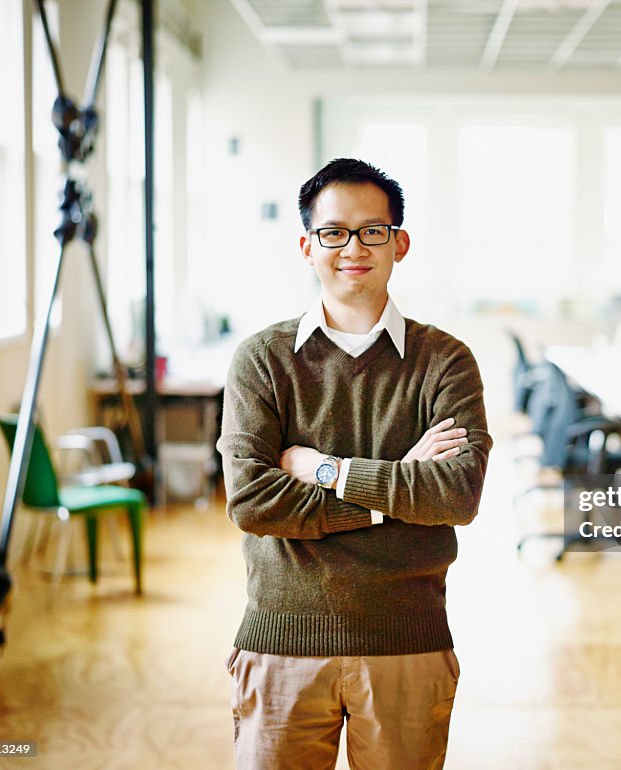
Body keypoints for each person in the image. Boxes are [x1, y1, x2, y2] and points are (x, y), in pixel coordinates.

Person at [218, 157, 493, 770]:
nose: (353, 248)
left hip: (408, 639)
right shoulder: (262, 360)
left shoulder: (444, 361)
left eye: (372, 231)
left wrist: (323, 468)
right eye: (333, 232)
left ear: (400, 243)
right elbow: (252, 501)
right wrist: (397, 487)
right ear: (307, 245)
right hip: (282, 638)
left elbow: (456, 494)